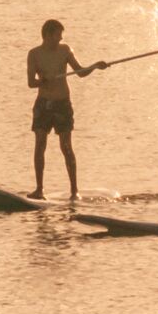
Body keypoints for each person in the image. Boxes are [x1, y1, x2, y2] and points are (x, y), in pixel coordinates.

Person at [25, 19, 110, 201]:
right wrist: (43, 81)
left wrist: (95, 66)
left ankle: (74, 191)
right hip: (43, 104)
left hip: (62, 104)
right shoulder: (34, 54)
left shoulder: (65, 50)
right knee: (40, 145)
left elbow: (80, 72)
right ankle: (39, 190)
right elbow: (31, 83)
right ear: (47, 35)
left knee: (66, 147)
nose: (61, 38)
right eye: (58, 35)